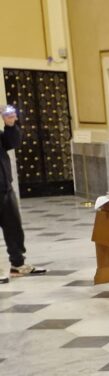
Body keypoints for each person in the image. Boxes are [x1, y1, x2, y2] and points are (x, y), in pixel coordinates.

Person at [0, 107, 45, 279]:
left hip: (5, 189)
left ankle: (17, 264)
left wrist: (10, 125)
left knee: (14, 229)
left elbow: (12, 143)